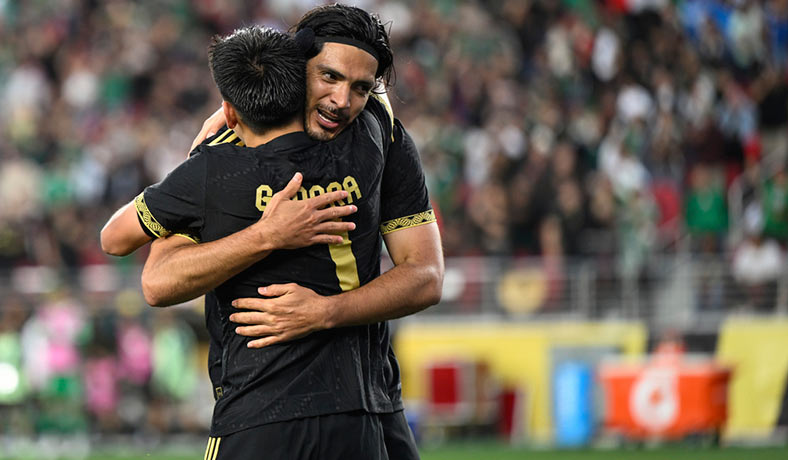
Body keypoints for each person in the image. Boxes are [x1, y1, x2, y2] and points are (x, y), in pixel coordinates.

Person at [101, 11, 441, 459]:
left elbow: (427, 275)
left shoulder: (380, 135)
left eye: (361, 86)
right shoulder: (375, 128)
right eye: (329, 77)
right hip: (326, 410)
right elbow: (159, 280)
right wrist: (266, 234)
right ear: (297, 68)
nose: (342, 100)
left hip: (354, 400)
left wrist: (325, 311)